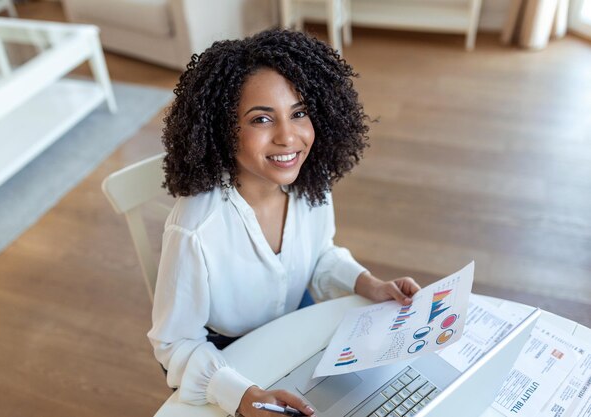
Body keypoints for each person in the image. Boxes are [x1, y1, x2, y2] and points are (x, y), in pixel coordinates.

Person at [148, 29, 420, 417]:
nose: (288, 137)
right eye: (261, 119)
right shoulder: (195, 228)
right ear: (222, 131)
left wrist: (369, 284)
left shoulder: (311, 181)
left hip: (294, 321)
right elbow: (173, 344)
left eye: (299, 113)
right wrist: (241, 396)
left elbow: (319, 255)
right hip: (229, 356)